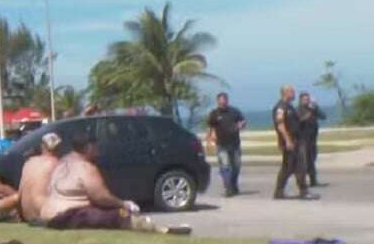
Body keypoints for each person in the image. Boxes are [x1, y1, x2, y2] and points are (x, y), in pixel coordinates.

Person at [40, 131, 190, 234]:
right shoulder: (86, 167)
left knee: (102, 213)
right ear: (88, 147)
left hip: (48, 215)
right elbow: (101, 197)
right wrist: (124, 204)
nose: (98, 149)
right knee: (118, 215)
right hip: (68, 216)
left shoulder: (62, 162)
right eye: (95, 145)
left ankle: (150, 224)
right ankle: (155, 228)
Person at [273, 85, 317, 200]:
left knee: (292, 167)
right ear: (285, 93)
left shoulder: (290, 107)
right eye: (292, 92)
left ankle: (283, 191)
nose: (294, 94)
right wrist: (287, 140)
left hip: (297, 139)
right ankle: (301, 191)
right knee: (293, 167)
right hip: (289, 141)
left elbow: (294, 122)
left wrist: (305, 118)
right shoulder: (281, 107)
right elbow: (280, 125)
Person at [206, 92, 247, 197]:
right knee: (225, 166)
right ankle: (228, 188)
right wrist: (209, 139)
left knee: (236, 166)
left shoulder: (234, 111)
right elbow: (210, 126)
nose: (223, 102)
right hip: (221, 144)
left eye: (224, 100)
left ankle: (233, 184)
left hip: (234, 143)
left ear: (227, 101)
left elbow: (243, 121)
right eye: (221, 100)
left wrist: (241, 125)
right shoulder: (214, 113)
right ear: (218, 101)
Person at [17, 132, 63, 221]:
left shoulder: (29, 163)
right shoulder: (56, 164)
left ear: (42, 146)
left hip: (27, 216)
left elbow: (20, 194)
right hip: (44, 215)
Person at [297, 91, 326, 188]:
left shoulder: (311, 109)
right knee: (305, 161)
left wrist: (316, 106)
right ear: (300, 100)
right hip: (304, 139)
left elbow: (323, 116)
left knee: (312, 159)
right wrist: (305, 117)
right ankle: (302, 182)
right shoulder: (298, 110)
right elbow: (296, 122)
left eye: (308, 99)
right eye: (305, 99)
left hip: (313, 138)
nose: (307, 101)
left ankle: (313, 181)